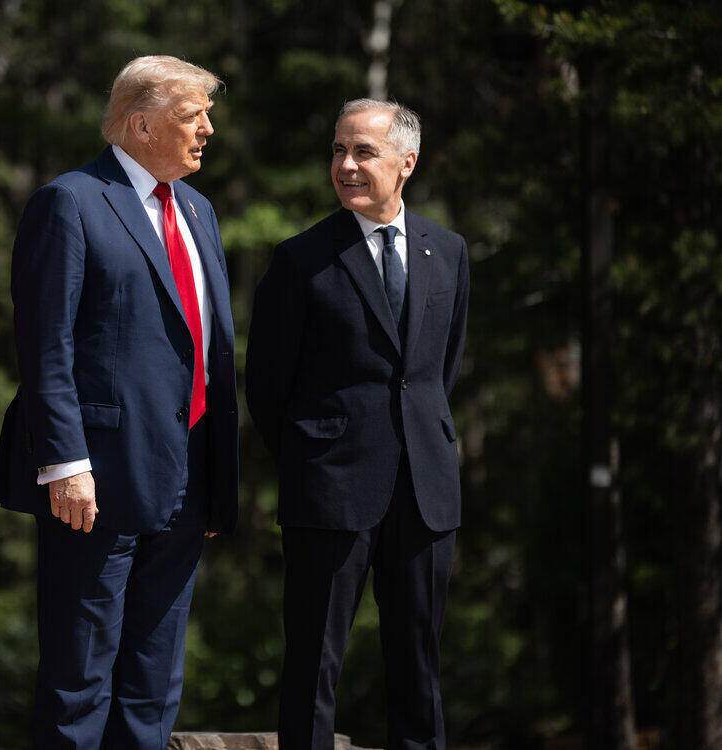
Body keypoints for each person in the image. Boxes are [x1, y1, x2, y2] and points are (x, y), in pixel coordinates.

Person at [0, 55, 239, 750]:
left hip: (185, 475)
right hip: (93, 480)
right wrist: (65, 461)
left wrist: (217, 474)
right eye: (193, 117)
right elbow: (46, 344)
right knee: (79, 681)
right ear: (140, 124)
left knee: (153, 687)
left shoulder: (197, 210)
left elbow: (208, 349)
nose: (207, 131)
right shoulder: (70, 200)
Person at [246, 99, 470, 750]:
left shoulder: (448, 250)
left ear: (406, 162)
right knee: (313, 663)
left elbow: (436, 369)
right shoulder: (299, 260)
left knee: (418, 663)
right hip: (329, 488)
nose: (344, 166)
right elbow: (266, 387)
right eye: (337, 151)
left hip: (425, 490)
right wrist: (315, 456)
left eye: (361, 153)